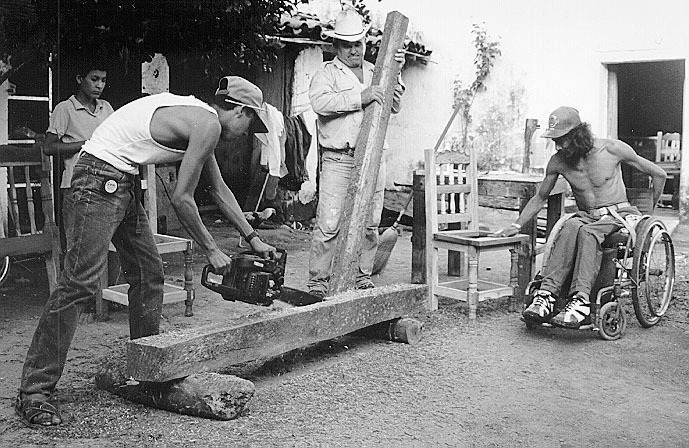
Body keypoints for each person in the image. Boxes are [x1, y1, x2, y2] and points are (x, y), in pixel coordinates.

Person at [15, 76, 276, 428]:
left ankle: (146, 370)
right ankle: (34, 392)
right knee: (78, 284)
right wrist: (211, 249)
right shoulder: (208, 124)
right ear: (241, 111)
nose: (246, 133)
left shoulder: (200, 119)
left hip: (120, 180)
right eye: (249, 124)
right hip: (98, 181)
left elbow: (218, 189)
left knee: (149, 276)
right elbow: (183, 198)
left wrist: (253, 237)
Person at [493, 106, 666, 329]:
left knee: (587, 231)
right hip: (587, 217)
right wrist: (517, 225)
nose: (559, 145)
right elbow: (540, 197)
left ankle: (581, 301)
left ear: (579, 134)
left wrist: (648, 218)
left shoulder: (612, 149)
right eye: (556, 140)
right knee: (570, 226)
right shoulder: (558, 162)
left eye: (563, 139)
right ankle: (546, 295)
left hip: (619, 216)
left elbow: (658, 174)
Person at [306, 8, 405, 299]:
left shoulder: (378, 70)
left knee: (371, 222)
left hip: (374, 157)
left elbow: (395, 105)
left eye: (358, 44)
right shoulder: (327, 73)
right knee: (329, 223)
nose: (353, 50)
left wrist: (395, 73)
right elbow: (320, 103)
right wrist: (359, 97)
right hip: (339, 158)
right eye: (347, 45)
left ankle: (362, 276)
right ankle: (318, 282)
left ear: (364, 43)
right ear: (336, 46)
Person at [43, 61, 114, 288]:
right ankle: (76, 300)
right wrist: (85, 144)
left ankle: (101, 297)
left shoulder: (106, 108)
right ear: (79, 79)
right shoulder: (65, 109)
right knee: (77, 244)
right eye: (94, 79)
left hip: (106, 183)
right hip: (76, 185)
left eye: (103, 80)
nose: (99, 85)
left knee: (104, 242)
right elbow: (49, 147)